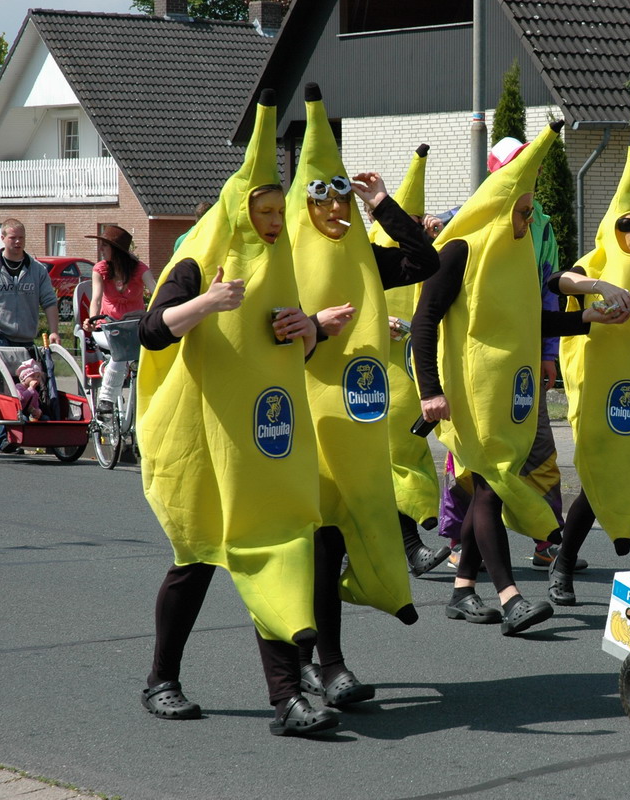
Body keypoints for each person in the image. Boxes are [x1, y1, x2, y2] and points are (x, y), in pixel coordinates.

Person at [137, 89, 335, 737]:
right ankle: (161, 680)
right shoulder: (201, 257)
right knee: (195, 564)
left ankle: (289, 700)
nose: (276, 222)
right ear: (240, 210)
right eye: (265, 211)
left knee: (277, 554)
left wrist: (307, 329)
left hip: (267, 442)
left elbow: (288, 352)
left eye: (280, 211)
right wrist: (208, 303)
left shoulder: (281, 262)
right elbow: (152, 331)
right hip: (204, 445)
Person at [411, 121, 628, 635]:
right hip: (468, 395)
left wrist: (585, 319)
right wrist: (430, 391)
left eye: (531, 212)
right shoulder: (459, 249)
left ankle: (463, 590)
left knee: (489, 485)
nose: (529, 221)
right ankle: (511, 598)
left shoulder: (517, 254)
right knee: (492, 484)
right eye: (523, 211)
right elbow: (424, 321)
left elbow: (531, 322)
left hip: (513, 397)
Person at [288, 84, 439, 708]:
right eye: (320, 195)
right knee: (298, 550)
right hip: (291, 426)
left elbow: (424, 261)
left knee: (330, 545)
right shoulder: (280, 258)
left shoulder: (365, 259)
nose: (333, 206)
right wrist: (311, 325)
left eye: (341, 194)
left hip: (352, 426)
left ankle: (330, 665)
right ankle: (299, 667)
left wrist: (381, 204)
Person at [547, 131, 630, 605]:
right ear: (613, 227)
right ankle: (563, 565)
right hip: (605, 392)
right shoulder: (596, 260)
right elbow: (558, 281)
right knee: (600, 478)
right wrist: (598, 286)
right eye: (628, 224)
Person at [437, 136, 580, 573]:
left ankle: (546, 538)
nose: (528, 174)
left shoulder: (541, 222)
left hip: (523, 359)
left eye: (532, 166)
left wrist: (548, 352)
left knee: (538, 446)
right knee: (470, 459)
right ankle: (460, 542)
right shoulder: (467, 219)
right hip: (476, 366)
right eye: (517, 165)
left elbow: (546, 294)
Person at [368, 143, 452, 579]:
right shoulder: (368, 253)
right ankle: (409, 545)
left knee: (403, 455)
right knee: (387, 460)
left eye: (416, 221)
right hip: (369, 378)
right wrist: (371, 322)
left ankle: (399, 543)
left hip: (408, 377)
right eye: (409, 220)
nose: (416, 226)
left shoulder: (417, 255)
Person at [81, 224, 156, 417]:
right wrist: (92, 319)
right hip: (107, 328)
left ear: (116, 250)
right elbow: (96, 299)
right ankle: (106, 401)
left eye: (105, 245)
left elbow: (156, 292)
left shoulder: (139, 269)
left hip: (134, 328)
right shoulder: (100, 269)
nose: (100, 249)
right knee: (121, 350)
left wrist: (159, 314)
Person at [0, 218, 60, 451]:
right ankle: (4, 436)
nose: (17, 242)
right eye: (12, 238)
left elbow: (50, 302)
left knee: (24, 388)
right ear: (3, 238)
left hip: (25, 338)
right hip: (0, 335)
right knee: (2, 388)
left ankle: (22, 431)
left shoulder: (37, 270)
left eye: (21, 238)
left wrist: (54, 332)